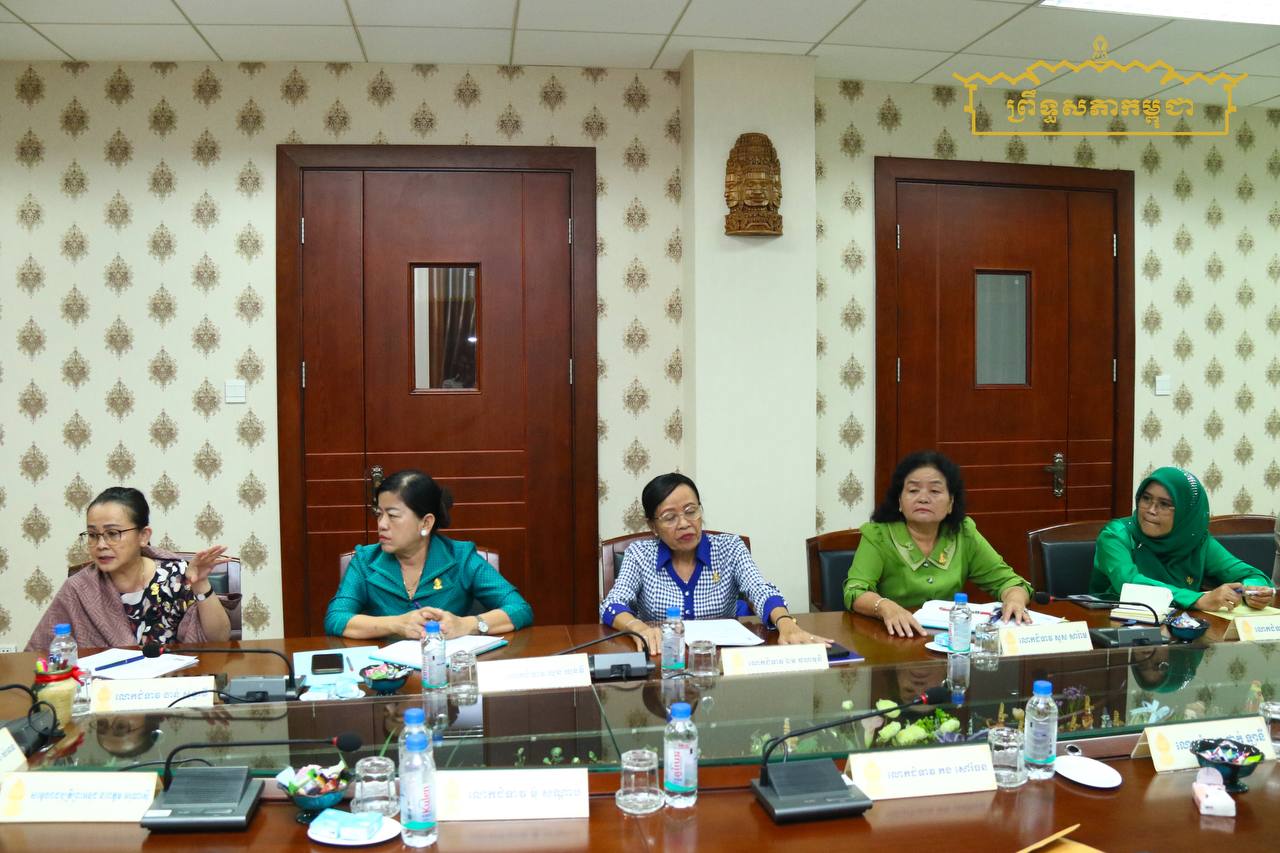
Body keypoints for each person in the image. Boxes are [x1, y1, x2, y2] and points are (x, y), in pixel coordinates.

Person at [600, 472, 830, 655]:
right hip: (664, 659)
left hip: (721, 663)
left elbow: (760, 589)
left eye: (691, 511)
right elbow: (613, 603)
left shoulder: (729, 548)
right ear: (653, 526)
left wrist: (786, 623)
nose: (684, 523)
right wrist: (639, 628)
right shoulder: (639, 554)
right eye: (670, 517)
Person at [843, 450, 1034, 638]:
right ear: (900, 501)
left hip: (951, 640)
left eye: (934, 491)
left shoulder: (963, 533)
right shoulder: (878, 535)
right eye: (913, 490)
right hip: (893, 636)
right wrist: (885, 607)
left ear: (951, 503)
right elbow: (855, 591)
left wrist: (1015, 599)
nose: (923, 498)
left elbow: (1009, 582)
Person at [325, 469, 533, 640]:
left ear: (426, 523)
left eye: (393, 515)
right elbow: (336, 617)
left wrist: (466, 624)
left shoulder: (461, 558)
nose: (382, 524)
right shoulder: (365, 561)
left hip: (444, 667)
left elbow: (519, 609)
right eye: (379, 514)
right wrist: (396, 624)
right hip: (387, 670)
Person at [26, 487, 232, 651]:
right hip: (104, 689)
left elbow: (219, 640)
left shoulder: (176, 576)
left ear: (143, 536)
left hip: (175, 684)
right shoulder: (79, 588)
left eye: (112, 533)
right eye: (93, 535)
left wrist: (201, 582)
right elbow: (41, 653)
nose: (101, 545)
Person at [1091, 467, 1275, 612]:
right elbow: (1128, 583)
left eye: (1164, 504)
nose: (1151, 510)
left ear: (1186, 513)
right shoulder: (1116, 534)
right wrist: (1197, 599)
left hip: (1182, 629)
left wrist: (1253, 592)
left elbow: (1252, 575)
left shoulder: (1195, 539)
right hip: (1116, 625)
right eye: (1146, 499)